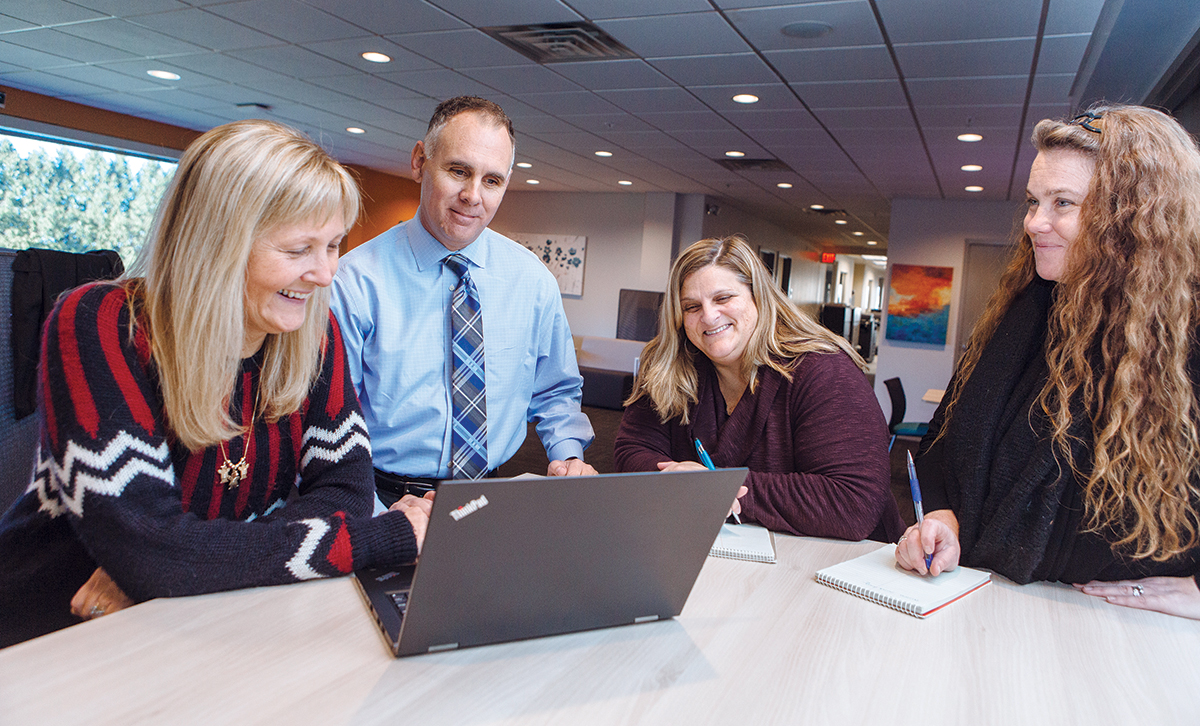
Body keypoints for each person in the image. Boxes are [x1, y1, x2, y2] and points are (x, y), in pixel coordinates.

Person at [0, 119, 431, 648]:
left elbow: (346, 488)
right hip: (54, 632)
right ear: (217, 243)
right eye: (298, 250)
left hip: (207, 621)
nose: (325, 274)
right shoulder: (101, 323)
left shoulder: (314, 331)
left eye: (334, 246)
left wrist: (182, 567)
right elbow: (153, 553)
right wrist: (384, 536)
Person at [895, 105, 1200, 620]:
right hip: (992, 604)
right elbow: (943, 443)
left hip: (1125, 634)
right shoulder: (1025, 309)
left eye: (1063, 203)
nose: (1036, 222)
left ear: (1134, 216)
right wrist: (944, 516)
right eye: (1034, 201)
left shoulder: (1183, 338)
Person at [331, 96, 596, 505]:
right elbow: (329, 423)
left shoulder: (533, 280)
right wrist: (381, 520)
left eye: (492, 181)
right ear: (420, 161)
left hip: (493, 498)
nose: (473, 195)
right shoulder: (355, 281)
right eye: (458, 171)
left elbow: (555, 390)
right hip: (382, 500)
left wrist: (568, 457)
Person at [614, 236, 904, 542]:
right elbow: (632, 450)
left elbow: (853, 503)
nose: (709, 316)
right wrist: (671, 476)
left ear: (759, 298)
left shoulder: (823, 371)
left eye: (724, 298)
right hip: (723, 552)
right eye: (692, 306)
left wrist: (720, 489)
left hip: (845, 563)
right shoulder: (669, 365)